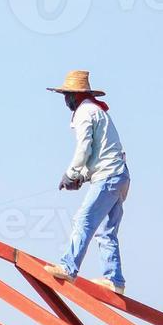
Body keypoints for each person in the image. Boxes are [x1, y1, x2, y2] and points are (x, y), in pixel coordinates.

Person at [42, 70, 131, 294]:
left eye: (67, 95)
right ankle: (114, 280)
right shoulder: (97, 111)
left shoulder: (84, 112)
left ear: (75, 96)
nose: (65, 100)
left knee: (83, 220)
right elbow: (98, 154)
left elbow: (84, 149)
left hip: (108, 176)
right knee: (106, 230)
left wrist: (71, 174)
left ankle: (68, 267)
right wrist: (81, 177)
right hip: (119, 176)